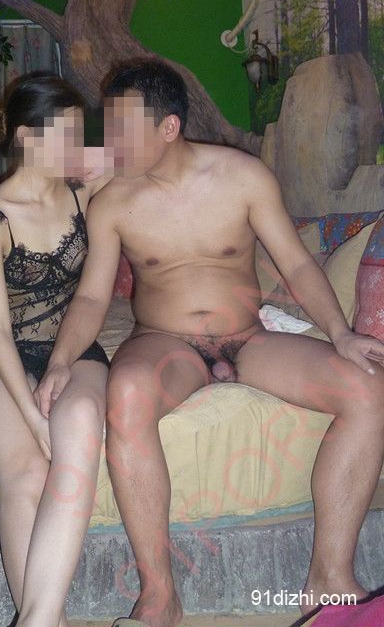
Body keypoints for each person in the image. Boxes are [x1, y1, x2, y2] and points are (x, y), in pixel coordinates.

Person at [36, 58, 384, 627]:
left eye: (123, 128)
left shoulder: (243, 177)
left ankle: (330, 578)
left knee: (369, 388)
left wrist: (341, 333)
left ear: (168, 127)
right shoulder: (113, 203)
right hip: (164, 341)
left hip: (247, 337)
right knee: (127, 392)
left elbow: (296, 263)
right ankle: (159, 596)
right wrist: (60, 360)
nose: (112, 141)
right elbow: (94, 299)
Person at [0, 71, 112, 627]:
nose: (74, 145)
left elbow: (138, 154)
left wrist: (96, 154)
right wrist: (31, 414)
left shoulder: (81, 189)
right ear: (25, 137)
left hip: (74, 348)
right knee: (25, 473)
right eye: (63, 134)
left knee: (81, 427)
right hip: (1, 354)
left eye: (77, 132)